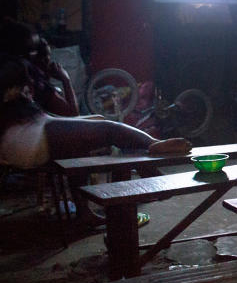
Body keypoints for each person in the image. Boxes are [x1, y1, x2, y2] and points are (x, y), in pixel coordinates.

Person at [0, 56, 190, 224]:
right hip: (26, 141)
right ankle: (152, 155)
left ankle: (87, 212)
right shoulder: (17, 79)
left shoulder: (16, 85)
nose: (48, 58)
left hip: (25, 139)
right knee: (109, 130)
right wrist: (64, 79)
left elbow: (56, 116)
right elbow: (70, 112)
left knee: (97, 125)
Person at [0, 18, 79, 116]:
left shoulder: (7, 64)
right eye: (33, 49)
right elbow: (72, 114)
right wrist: (66, 80)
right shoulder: (30, 75)